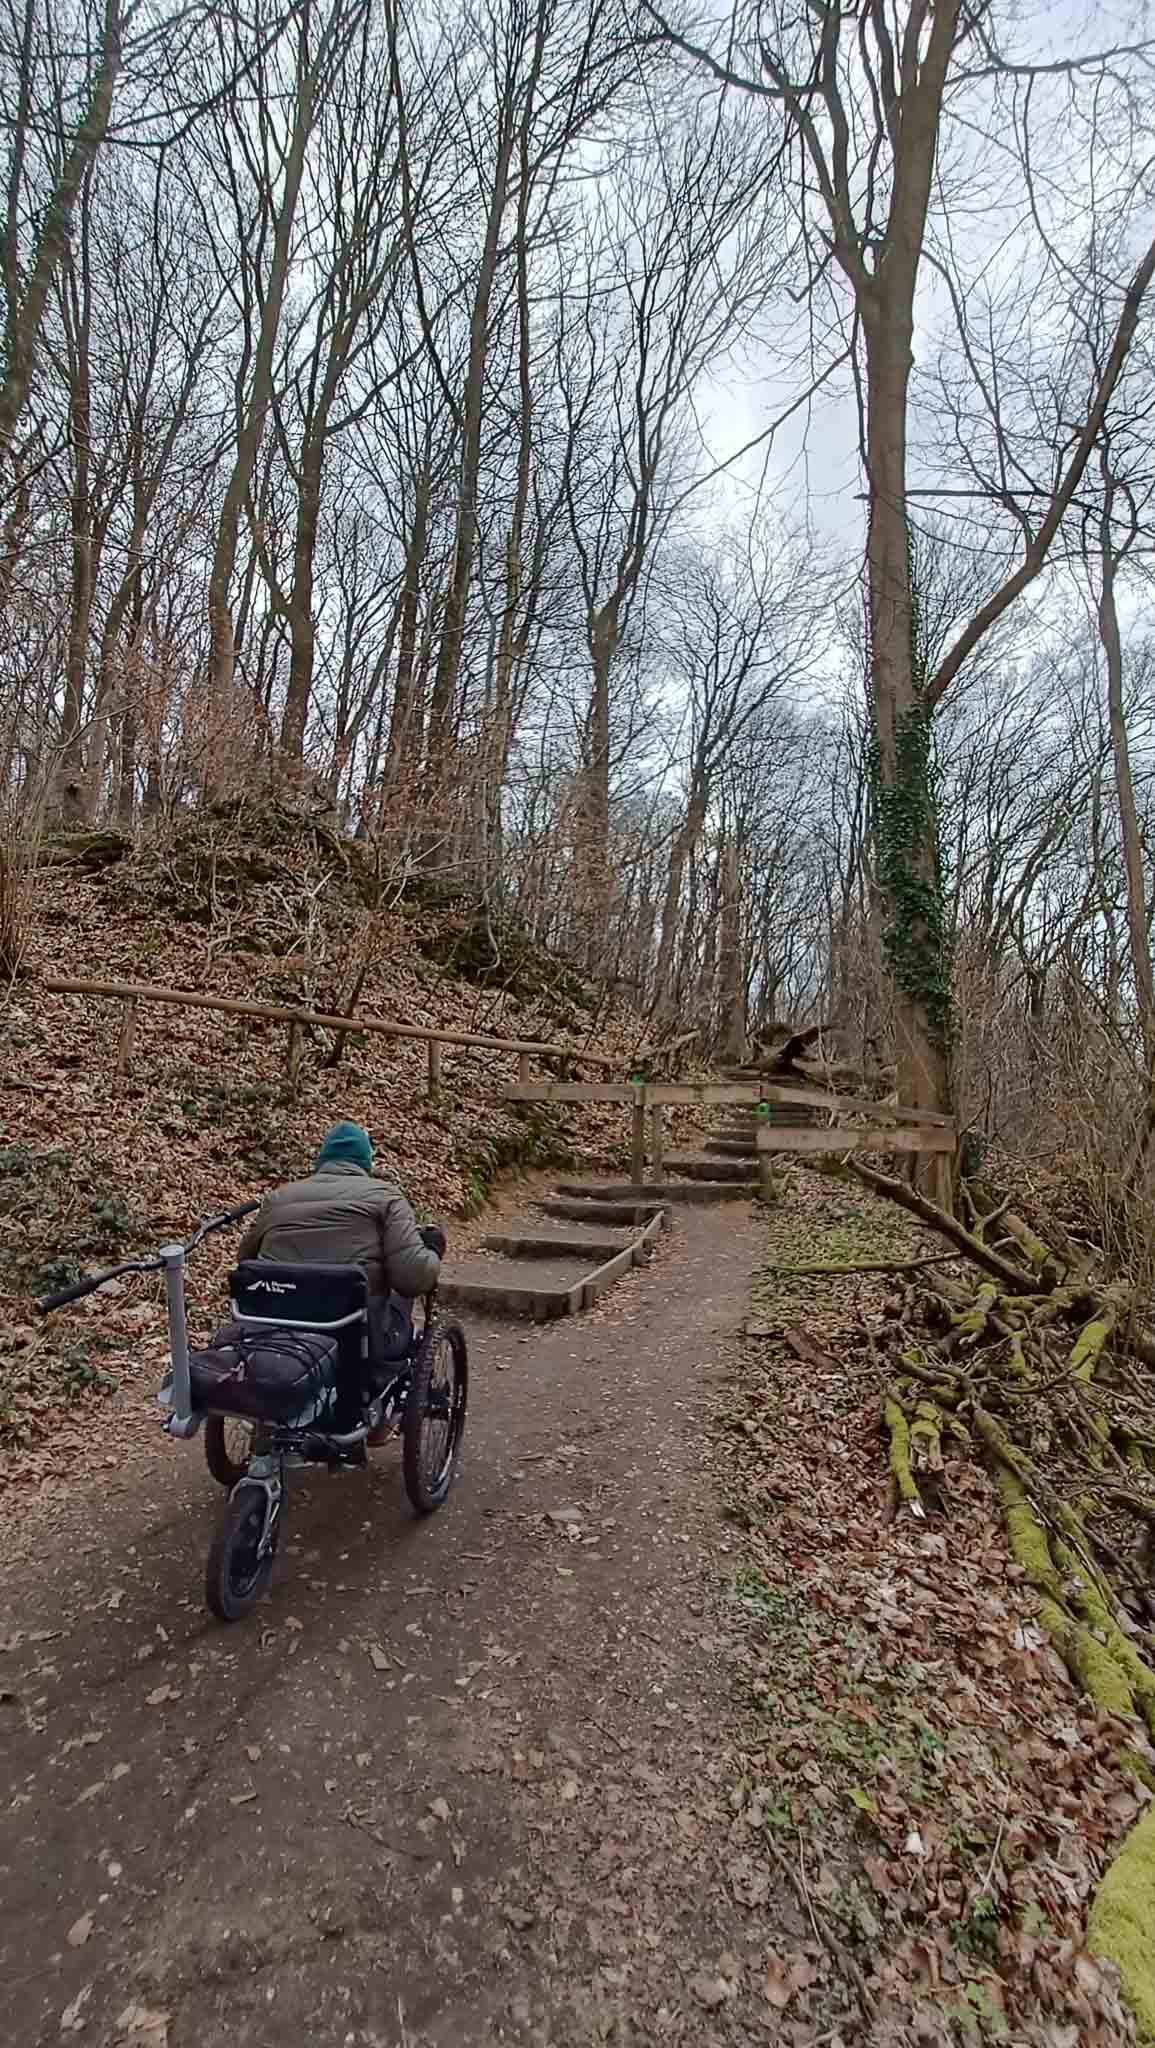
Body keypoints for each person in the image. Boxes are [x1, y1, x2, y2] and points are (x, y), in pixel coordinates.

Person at [237, 1122, 445, 1400]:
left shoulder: (278, 1198)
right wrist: (433, 1252)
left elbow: (246, 1261)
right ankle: (386, 1385)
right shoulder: (385, 1197)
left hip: (276, 1328)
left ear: (322, 1160)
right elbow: (413, 1278)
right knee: (398, 1293)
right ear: (366, 1162)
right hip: (357, 1338)